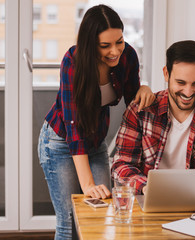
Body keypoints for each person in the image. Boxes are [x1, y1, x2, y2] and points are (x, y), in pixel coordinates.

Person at [37, 5, 155, 239]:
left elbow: (134, 105)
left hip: (95, 141)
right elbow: (73, 127)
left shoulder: (127, 55)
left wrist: (144, 88)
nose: (115, 51)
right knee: (70, 221)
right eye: (105, 46)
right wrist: (88, 184)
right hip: (61, 142)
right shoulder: (73, 61)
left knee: (102, 214)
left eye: (119, 41)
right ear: (91, 44)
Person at [112, 40, 195, 196]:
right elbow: (121, 166)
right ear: (166, 73)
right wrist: (148, 188)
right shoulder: (140, 111)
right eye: (181, 82)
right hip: (148, 199)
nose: (188, 92)